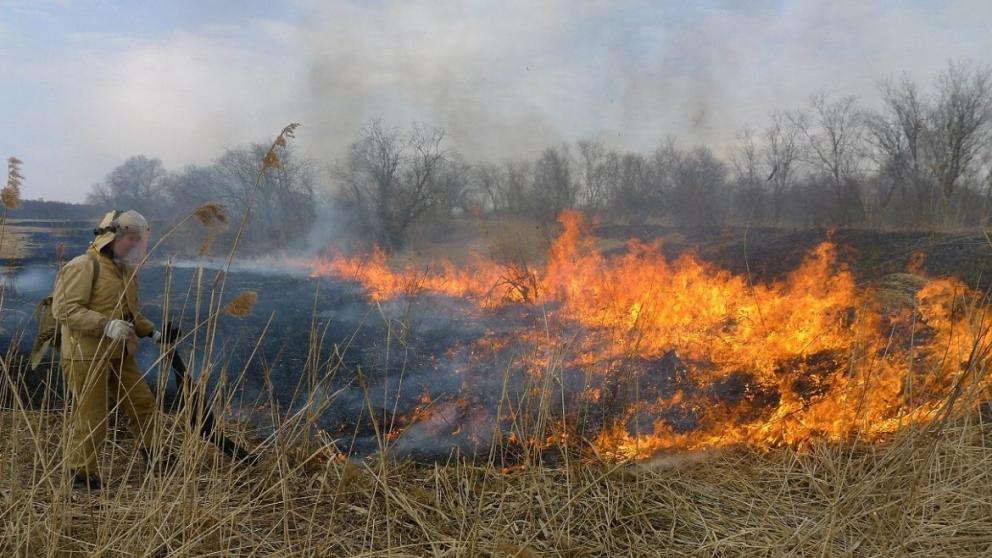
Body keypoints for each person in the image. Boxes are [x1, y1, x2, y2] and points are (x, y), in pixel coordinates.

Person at [52, 209, 176, 490]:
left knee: (143, 404)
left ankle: (156, 456)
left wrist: (152, 332)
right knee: (92, 416)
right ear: (110, 235)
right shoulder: (83, 266)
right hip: (87, 355)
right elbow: (64, 310)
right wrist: (105, 325)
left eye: (136, 239)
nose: (133, 244)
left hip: (120, 353)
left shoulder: (124, 271)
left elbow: (129, 312)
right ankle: (81, 475)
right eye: (129, 238)